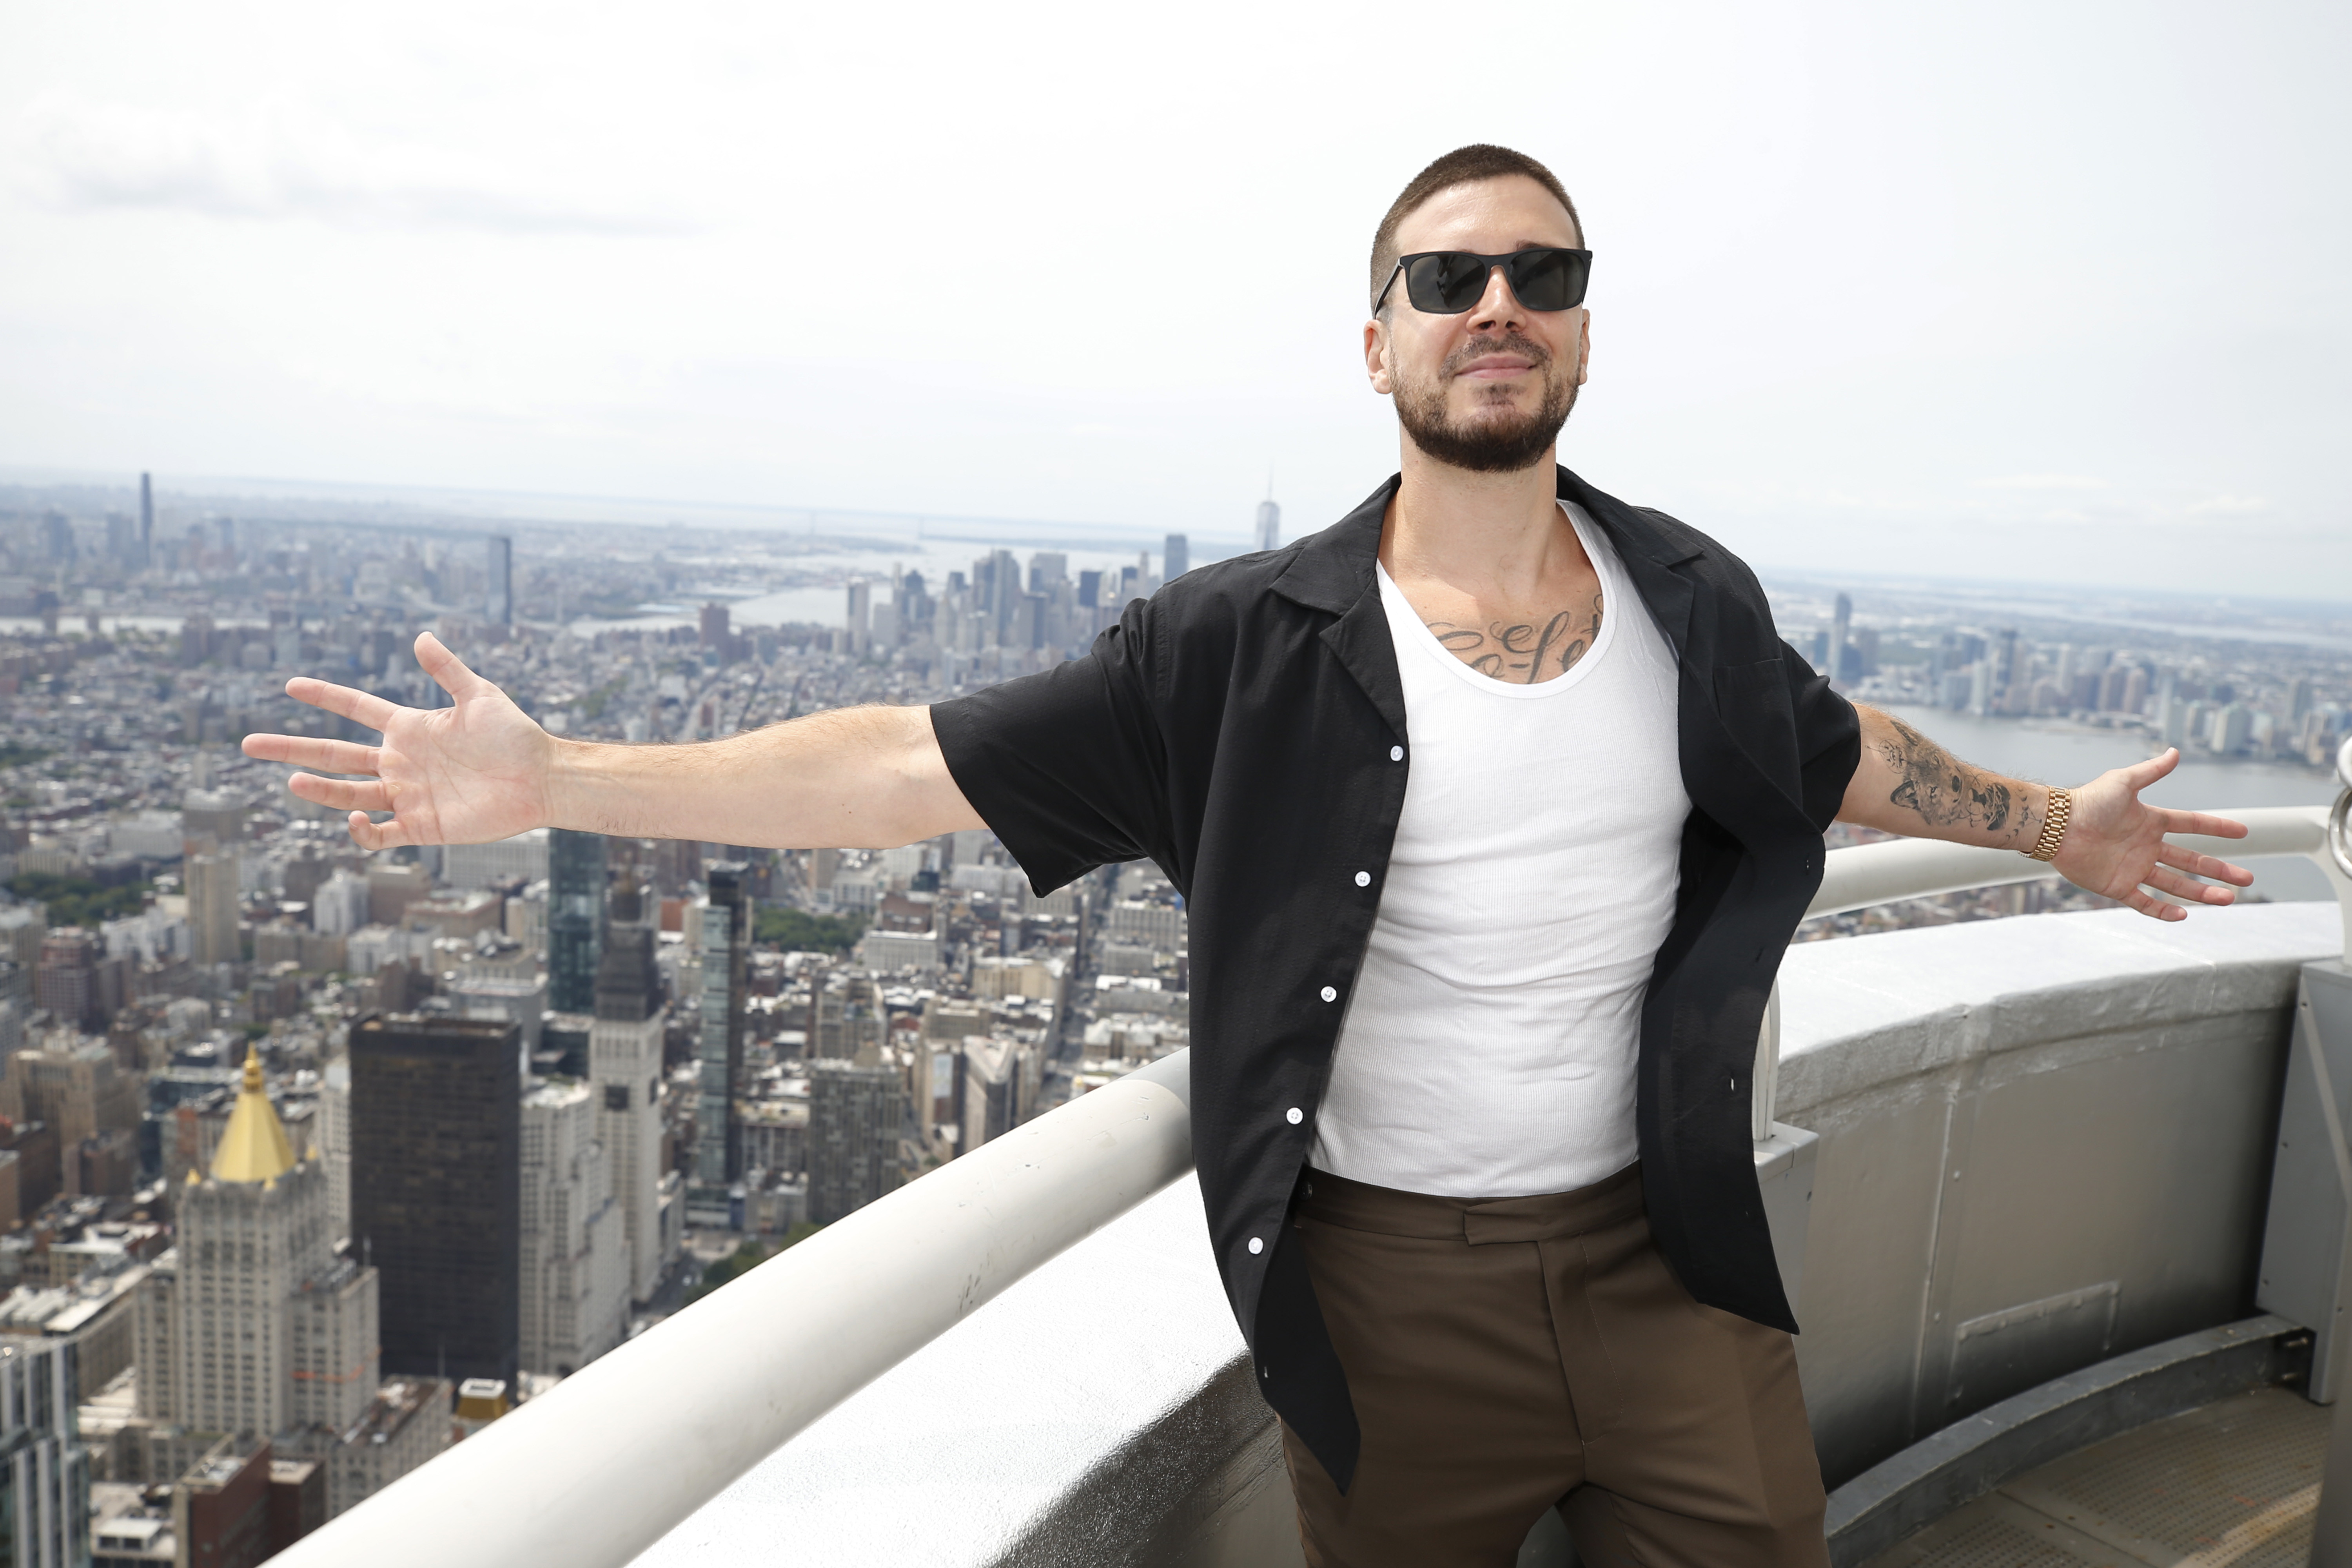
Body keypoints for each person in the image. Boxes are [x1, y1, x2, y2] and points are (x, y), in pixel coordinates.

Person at [243, 143, 2254, 1567]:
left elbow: (1839, 756)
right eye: (1447, 280)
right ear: (1372, 341)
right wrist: (560, 774)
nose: (1496, 308)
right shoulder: (1233, 651)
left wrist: (2048, 822)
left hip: (1677, 1269)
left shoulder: (1691, 601)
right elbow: (899, 765)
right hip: (1386, 1294)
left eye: (1541, 278)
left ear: (1580, 334)